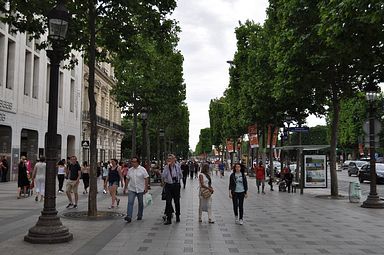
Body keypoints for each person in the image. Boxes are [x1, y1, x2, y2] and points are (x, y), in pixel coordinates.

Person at [124, 157, 149, 222]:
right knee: (130, 202)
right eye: (132, 162)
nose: (133, 163)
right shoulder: (130, 170)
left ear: (138, 162)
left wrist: (146, 187)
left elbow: (146, 178)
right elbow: (127, 178)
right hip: (132, 188)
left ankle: (140, 215)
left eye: (134, 162)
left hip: (140, 189)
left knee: (140, 203)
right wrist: (125, 187)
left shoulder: (142, 169)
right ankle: (129, 216)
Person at [162, 154, 183, 225]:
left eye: (171, 159)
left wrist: (177, 180)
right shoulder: (166, 167)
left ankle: (177, 216)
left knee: (177, 201)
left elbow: (181, 175)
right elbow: (163, 176)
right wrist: (168, 167)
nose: (169, 160)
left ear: (174, 159)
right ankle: (168, 218)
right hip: (168, 185)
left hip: (176, 185)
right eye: (168, 159)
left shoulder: (177, 166)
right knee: (168, 202)